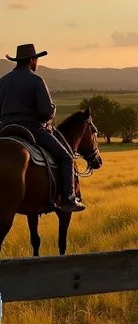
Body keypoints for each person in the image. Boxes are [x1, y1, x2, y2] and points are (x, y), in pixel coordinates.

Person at [0, 43, 86, 212]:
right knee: (67, 157)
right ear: (32, 60)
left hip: (5, 129)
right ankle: (68, 199)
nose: (37, 62)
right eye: (36, 59)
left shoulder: (2, 82)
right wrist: (51, 112)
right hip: (31, 128)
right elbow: (46, 112)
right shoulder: (36, 80)